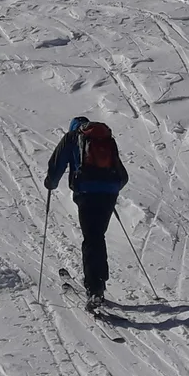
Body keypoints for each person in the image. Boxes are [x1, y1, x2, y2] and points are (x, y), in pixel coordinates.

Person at [44, 116, 129, 308]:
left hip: (87, 193)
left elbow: (57, 164)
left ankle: (95, 288)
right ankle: (98, 282)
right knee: (97, 236)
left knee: (92, 239)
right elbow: (123, 176)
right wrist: (110, 189)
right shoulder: (106, 139)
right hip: (108, 195)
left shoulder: (72, 137)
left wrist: (51, 182)